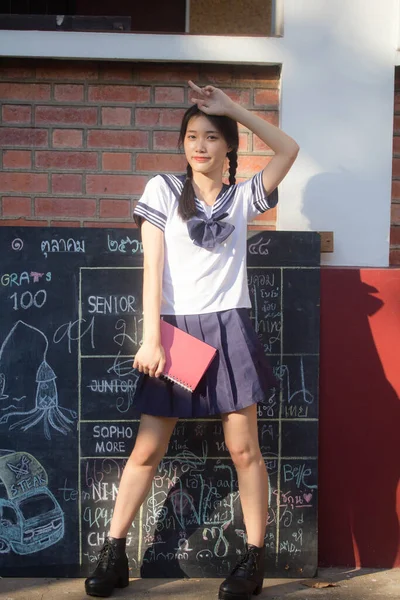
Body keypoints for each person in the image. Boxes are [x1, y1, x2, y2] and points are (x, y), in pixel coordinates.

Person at [85, 81, 299, 599]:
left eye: (210, 137)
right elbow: (152, 266)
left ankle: (252, 561)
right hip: (176, 330)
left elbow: (289, 149)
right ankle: (113, 554)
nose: (199, 145)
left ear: (228, 147)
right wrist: (150, 336)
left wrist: (231, 108)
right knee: (147, 449)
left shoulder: (242, 196)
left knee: (243, 449)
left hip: (228, 326)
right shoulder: (161, 189)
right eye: (191, 136)